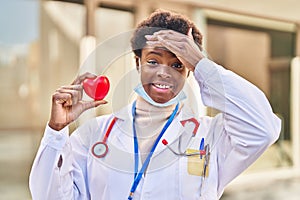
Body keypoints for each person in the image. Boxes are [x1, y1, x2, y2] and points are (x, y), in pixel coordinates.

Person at [29, 9, 281, 200]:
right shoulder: (96, 134)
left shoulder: (209, 136)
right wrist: (56, 131)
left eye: (177, 64)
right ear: (137, 63)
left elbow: (263, 129)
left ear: (189, 72)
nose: (164, 73)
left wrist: (202, 63)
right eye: (152, 61)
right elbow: (48, 196)